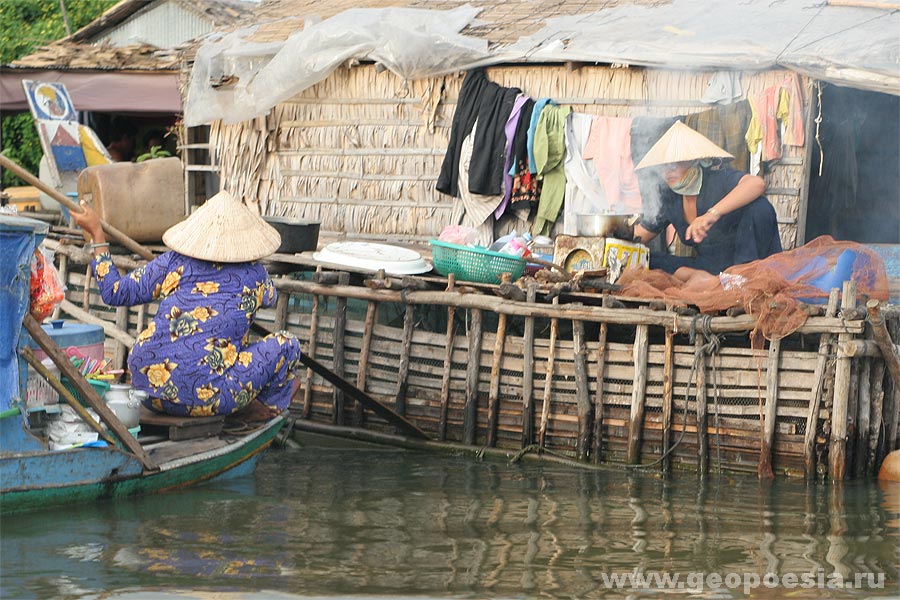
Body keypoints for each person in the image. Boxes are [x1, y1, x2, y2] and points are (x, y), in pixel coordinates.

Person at [72, 190, 302, 419]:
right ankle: (262, 409)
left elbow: (115, 293)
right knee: (288, 344)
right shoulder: (256, 274)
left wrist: (97, 235)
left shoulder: (173, 261)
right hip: (205, 398)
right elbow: (269, 300)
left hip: (146, 388)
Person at [631, 121, 782, 283]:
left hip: (745, 263)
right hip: (709, 267)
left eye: (675, 165)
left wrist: (711, 214)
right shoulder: (668, 196)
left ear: (695, 162)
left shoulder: (718, 179)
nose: (668, 172)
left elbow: (756, 184)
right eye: (664, 166)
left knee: (760, 207)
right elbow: (641, 234)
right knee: (646, 260)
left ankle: (738, 283)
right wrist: (611, 237)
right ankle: (701, 279)